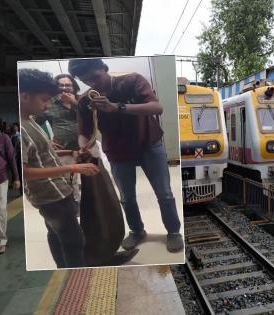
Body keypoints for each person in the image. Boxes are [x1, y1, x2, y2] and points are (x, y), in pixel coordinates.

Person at [68, 58, 184, 253]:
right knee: (126, 197)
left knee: (164, 193)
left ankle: (173, 232)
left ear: (105, 69)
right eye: (86, 80)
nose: (92, 83)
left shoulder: (131, 82)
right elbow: (83, 132)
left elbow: (157, 107)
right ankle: (137, 231)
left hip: (149, 145)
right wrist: (83, 147)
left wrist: (117, 107)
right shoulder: (85, 101)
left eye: (95, 77)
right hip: (117, 151)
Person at [19, 69, 100, 268]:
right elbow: (25, 171)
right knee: (74, 240)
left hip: (55, 190)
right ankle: (77, 280)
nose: (46, 105)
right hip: (50, 195)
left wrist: (61, 153)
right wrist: (72, 168)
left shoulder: (29, 119)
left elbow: (38, 156)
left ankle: (62, 268)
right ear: (24, 96)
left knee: (55, 234)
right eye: (44, 100)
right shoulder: (21, 128)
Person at [35, 74, 81, 208]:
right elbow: (33, 123)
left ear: (73, 87)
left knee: (92, 180)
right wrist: (46, 140)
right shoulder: (49, 104)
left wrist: (74, 103)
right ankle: (74, 208)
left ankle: (92, 207)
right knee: (68, 181)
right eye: (61, 85)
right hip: (64, 150)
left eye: (68, 85)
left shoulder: (82, 101)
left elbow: (91, 117)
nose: (64, 88)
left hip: (87, 148)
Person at [0, 121, 20, 254]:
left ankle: (1, 240)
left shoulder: (4, 138)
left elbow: (11, 158)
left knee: (0, 209)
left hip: (0, 178)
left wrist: (16, 178)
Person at [10, 123, 22, 195]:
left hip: (18, 157)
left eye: (16, 127)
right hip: (15, 156)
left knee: (20, 174)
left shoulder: (19, 136)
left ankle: (21, 192)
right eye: (13, 127)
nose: (15, 128)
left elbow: (16, 148)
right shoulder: (12, 136)